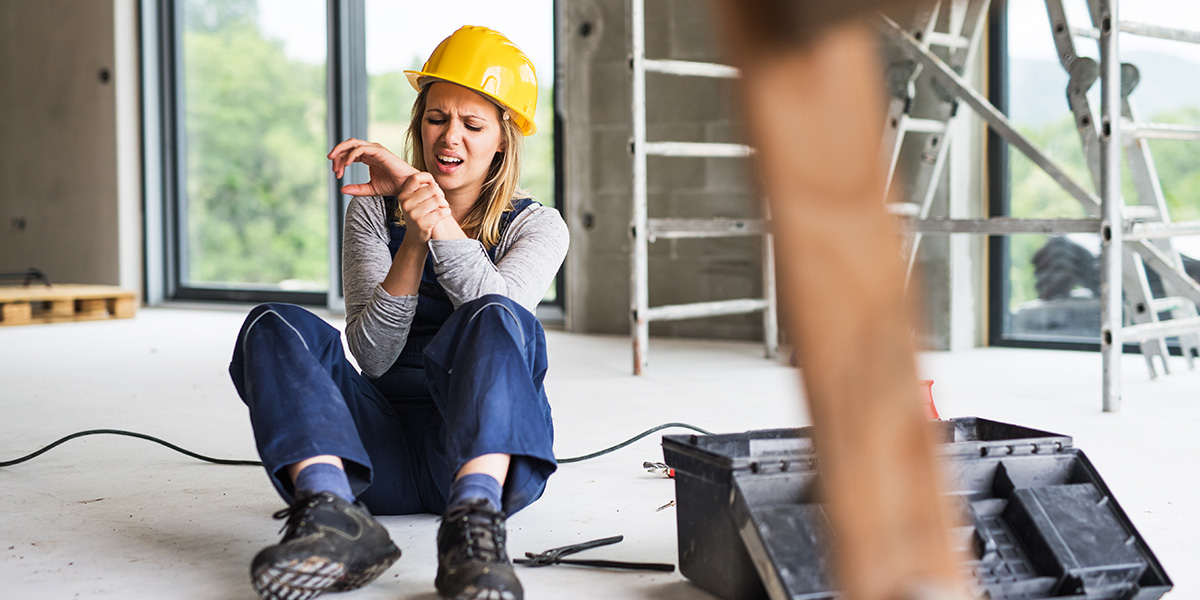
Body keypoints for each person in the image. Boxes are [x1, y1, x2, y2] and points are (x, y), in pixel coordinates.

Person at [228, 25, 568, 600]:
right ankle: (331, 514)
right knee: (272, 323)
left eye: (472, 125)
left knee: (496, 314)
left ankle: (473, 529)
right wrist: (412, 235)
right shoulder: (372, 211)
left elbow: (499, 322)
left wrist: (434, 216)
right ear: (418, 123)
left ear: (503, 140)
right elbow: (373, 356)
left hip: (474, 455)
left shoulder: (539, 226)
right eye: (436, 118)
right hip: (372, 454)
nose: (449, 137)